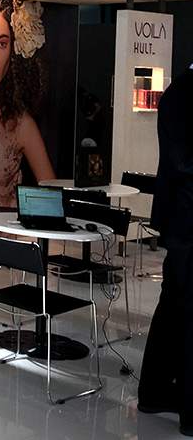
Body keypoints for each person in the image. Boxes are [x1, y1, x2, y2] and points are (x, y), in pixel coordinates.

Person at [138, 65, 193, 436]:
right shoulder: (182, 93)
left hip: (183, 223)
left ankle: (154, 392)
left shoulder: (181, 91)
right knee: (185, 313)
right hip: (187, 223)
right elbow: (183, 161)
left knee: (174, 307)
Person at [0, 0, 56, 209]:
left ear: (13, 49)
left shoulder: (18, 124)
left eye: (1, 44)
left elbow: (51, 197)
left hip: (2, 230)